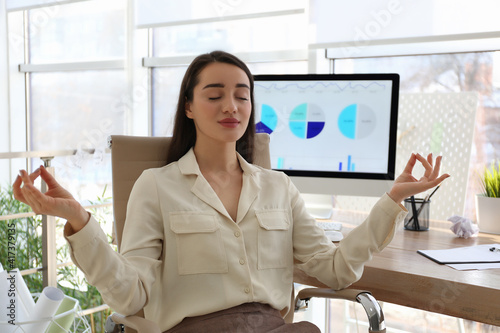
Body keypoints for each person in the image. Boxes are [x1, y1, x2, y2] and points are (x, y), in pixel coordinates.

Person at [13, 51, 449, 332]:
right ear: (189, 106)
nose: (231, 106)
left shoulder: (278, 186)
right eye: (214, 94)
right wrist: (80, 221)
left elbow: (334, 270)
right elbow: (130, 295)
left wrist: (391, 201)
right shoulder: (157, 186)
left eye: (242, 96)